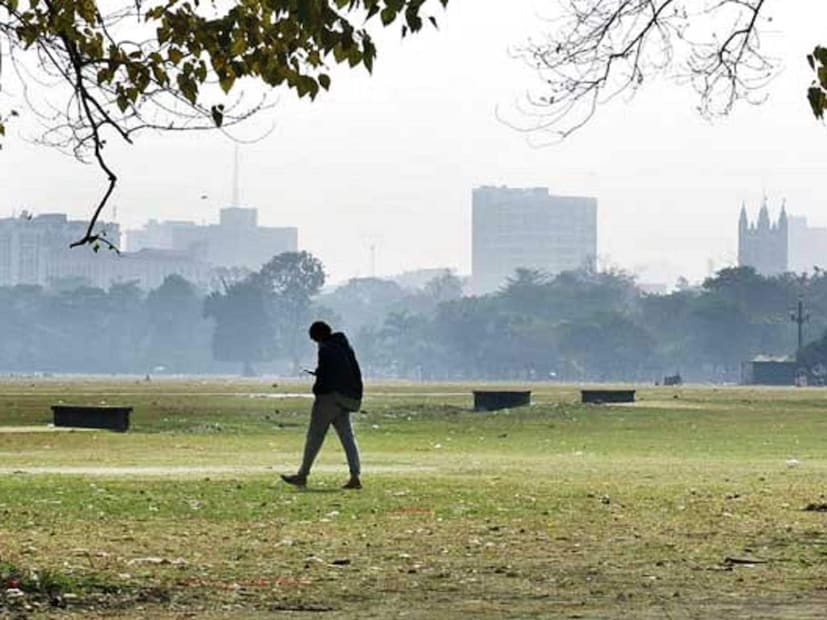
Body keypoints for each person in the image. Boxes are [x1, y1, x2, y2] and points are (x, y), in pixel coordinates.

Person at [281, 321, 363, 490]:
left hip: (328, 399)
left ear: (319, 336)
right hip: (345, 399)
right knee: (348, 438)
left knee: (314, 438)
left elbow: (326, 375)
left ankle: (302, 475)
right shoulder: (344, 347)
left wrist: (318, 388)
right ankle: (355, 476)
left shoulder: (326, 349)